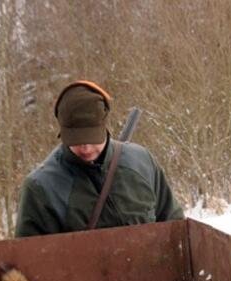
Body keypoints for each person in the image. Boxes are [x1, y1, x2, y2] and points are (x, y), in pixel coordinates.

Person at [15, 80, 183, 237]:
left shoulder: (141, 162)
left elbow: (175, 226)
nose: (86, 148)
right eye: (77, 140)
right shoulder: (40, 188)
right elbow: (30, 260)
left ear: (104, 126)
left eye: (91, 137)